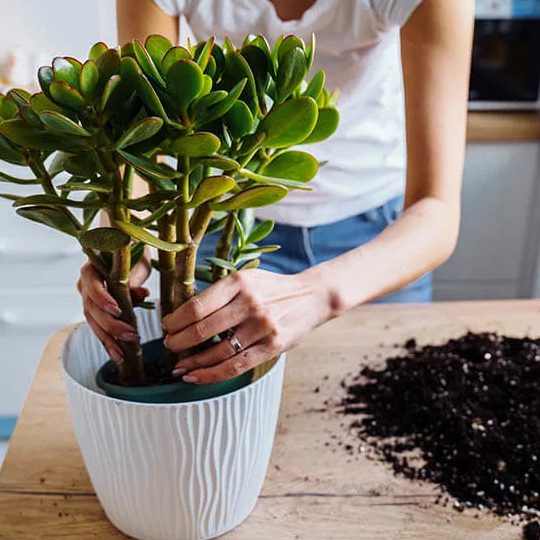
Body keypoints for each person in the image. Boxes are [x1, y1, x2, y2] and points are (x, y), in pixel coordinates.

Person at [77, 0, 473, 383]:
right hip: (215, 229)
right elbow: (141, 139)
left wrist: (318, 293)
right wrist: (126, 247)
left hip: (378, 244)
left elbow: (436, 210)